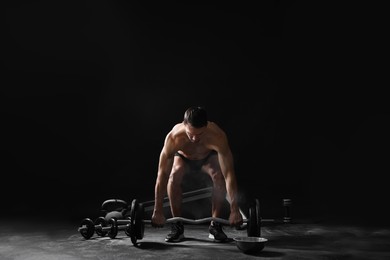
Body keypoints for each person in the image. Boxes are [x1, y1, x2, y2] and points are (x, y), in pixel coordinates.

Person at [151, 106, 243, 242]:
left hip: (207, 158)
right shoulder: (173, 138)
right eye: (190, 134)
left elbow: (229, 174)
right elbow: (162, 175)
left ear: (206, 126)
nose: (194, 139)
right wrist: (157, 210)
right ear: (184, 124)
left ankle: (215, 225)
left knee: (219, 176)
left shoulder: (217, 136)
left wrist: (234, 209)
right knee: (173, 176)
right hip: (183, 159)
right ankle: (177, 226)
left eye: (199, 134)